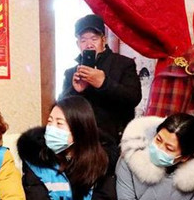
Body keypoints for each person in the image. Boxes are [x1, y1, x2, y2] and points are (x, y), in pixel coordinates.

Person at [60, 14, 142, 144]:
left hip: (114, 141)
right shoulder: (71, 73)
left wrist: (104, 83)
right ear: (78, 44)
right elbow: (61, 108)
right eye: (83, 40)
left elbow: (133, 98)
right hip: (81, 141)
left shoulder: (123, 64)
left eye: (94, 39)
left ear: (103, 40)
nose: (89, 45)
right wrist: (75, 90)